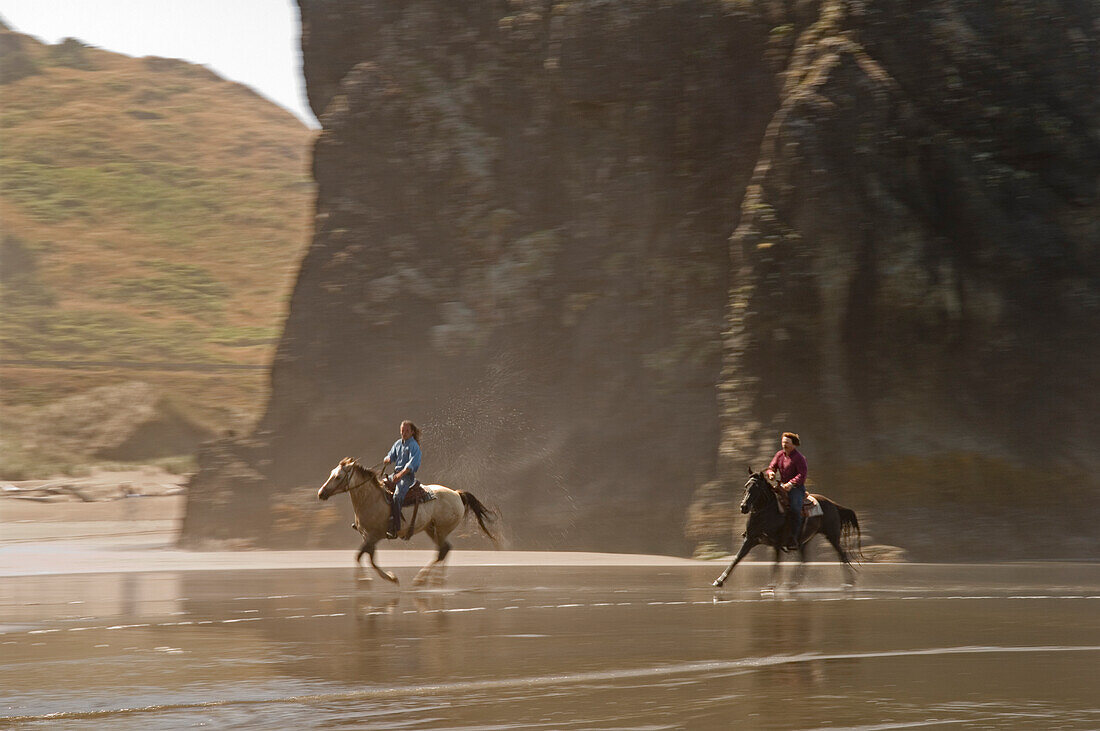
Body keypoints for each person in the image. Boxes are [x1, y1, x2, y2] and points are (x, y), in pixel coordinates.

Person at [765, 431, 808, 550]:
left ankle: (794, 538)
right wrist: (771, 473)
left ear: (794, 444)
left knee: (795, 508)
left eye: (787, 443)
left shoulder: (799, 458)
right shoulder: (779, 455)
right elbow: (771, 467)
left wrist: (791, 483)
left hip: (796, 489)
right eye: (783, 442)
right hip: (781, 487)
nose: (784, 444)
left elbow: (802, 474)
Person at [382, 420, 422, 539]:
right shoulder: (398, 443)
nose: (404, 433)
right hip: (395, 475)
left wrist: (400, 475)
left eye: (407, 431)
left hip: (406, 477)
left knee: (397, 496)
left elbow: (412, 463)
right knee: (377, 488)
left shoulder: (414, 446)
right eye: (402, 431)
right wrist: (388, 458)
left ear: (412, 432)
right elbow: (391, 455)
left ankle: (395, 527)